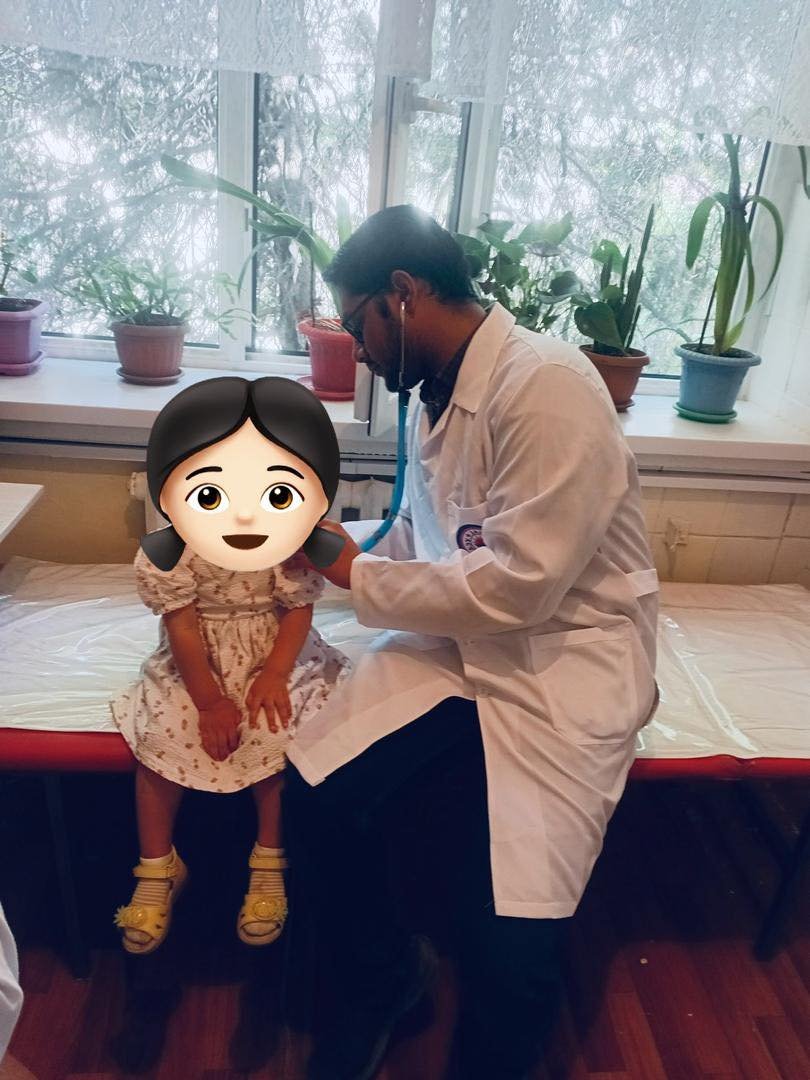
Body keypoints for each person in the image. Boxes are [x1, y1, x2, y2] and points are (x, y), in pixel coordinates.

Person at [283, 205, 660, 1079]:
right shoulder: (440, 392)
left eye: (358, 324)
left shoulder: (549, 387)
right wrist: (334, 546)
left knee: (511, 950)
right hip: (462, 646)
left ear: (404, 294)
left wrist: (354, 575)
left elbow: (521, 584)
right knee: (319, 787)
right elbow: (431, 537)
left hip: (563, 661)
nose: (358, 351)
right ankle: (385, 980)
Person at [109, 377, 353, 955]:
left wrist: (273, 674)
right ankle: (158, 866)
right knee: (161, 739)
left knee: (277, 734)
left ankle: (268, 861)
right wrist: (211, 701)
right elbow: (182, 627)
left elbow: (297, 610)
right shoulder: (173, 550)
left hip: (275, 650)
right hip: (199, 660)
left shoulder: (287, 542)